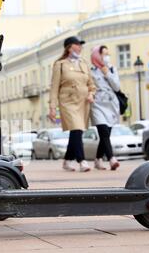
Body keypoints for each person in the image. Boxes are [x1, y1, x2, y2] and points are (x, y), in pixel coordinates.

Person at [49, 36, 96, 172]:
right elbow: (54, 88)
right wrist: (52, 108)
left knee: (77, 131)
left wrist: (91, 94)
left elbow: (91, 84)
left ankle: (67, 160)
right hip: (67, 101)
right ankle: (82, 161)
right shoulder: (60, 64)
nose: (80, 47)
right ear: (69, 47)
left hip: (83, 103)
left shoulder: (84, 63)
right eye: (77, 45)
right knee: (76, 129)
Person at [90, 45, 121, 171]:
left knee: (106, 134)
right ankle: (111, 159)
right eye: (104, 54)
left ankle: (98, 159)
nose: (106, 57)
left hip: (111, 105)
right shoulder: (90, 70)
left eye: (108, 54)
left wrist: (107, 73)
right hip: (97, 104)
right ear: (97, 55)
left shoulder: (112, 69)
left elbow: (117, 87)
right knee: (103, 131)